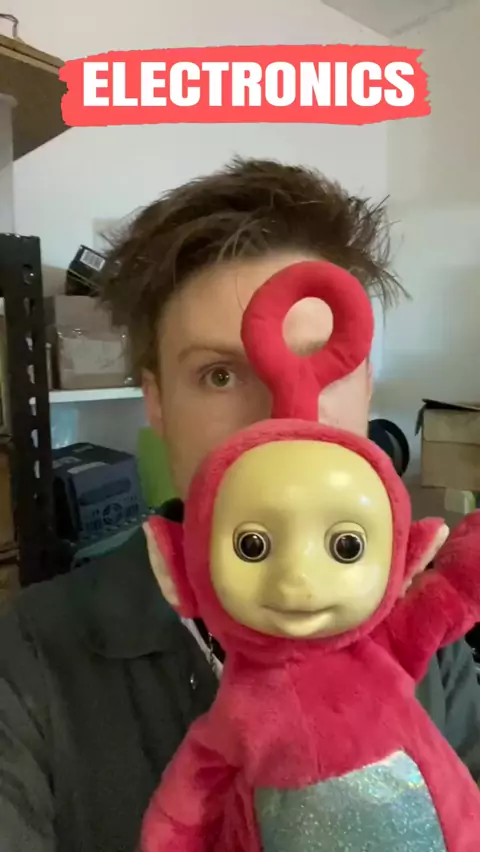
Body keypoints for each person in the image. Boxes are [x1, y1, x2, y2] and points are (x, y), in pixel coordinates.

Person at [0, 157, 479, 852]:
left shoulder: (427, 627)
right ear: (157, 401)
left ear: (367, 386)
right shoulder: (31, 656)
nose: (281, 421)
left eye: (324, 364)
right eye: (220, 374)